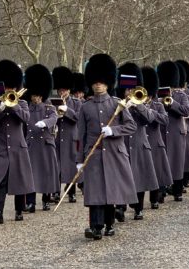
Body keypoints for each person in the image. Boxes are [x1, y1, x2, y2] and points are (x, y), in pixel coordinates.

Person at [76, 54, 138, 240]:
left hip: (113, 153)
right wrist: (80, 161)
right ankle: (96, 226)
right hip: (93, 154)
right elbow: (82, 136)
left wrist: (114, 130)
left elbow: (131, 126)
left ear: (108, 83)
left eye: (102, 82)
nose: (98, 85)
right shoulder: (85, 107)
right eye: (95, 82)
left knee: (110, 191)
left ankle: (109, 224)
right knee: (94, 192)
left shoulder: (116, 104)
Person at [0, 60, 34, 224]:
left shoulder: (22, 103)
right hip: (2, 148)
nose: (9, 90)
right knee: (1, 180)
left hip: (18, 147)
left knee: (19, 179)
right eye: (6, 87)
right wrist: (1, 108)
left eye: (11, 87)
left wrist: (12, 105)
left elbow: (26, 119)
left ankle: (19, 210)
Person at [116, 63, 159, 221]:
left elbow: (150, 118)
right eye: (127, 90)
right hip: (123, 144)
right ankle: (120, 207)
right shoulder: (117, 102)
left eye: (131, 89)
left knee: (139, 177)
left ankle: (138, 208)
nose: (129, 92)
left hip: (140, 143)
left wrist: (136, 105)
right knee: (122, 176)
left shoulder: (141, 101)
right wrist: (123, 107)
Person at [24, 64, 60, 212]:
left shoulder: (49, 108)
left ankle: (46, 199)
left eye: (38, 96)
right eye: (33, 96)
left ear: (42, 95)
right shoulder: (26, 108)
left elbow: (54, 118)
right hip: (32, 144)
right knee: (30, 174)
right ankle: (31, 202)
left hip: (45, 144)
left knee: (46, 173)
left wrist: (44, 123)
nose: (36, 98)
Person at [156, 61, 189, 201]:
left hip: (176, 132)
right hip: (162, 132)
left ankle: (177, 191)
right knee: (162, 162)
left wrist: (172, 103)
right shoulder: (157, 95)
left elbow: (186, 111)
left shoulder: (181, 96)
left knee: (177, 162)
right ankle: (161, 191)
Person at [141, 66, 172, 206]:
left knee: (156, 172)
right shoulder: (134, 104)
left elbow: (165, 120)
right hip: (141, 143)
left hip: (154, 141)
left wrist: (150, 113)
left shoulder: (158, 105)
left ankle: (154, 198)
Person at [53, 66, 81, 203]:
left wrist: (67, 110)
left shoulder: (76, 103)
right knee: (56, 165)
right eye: (60, 90)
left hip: (71, 137)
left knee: (71, 166)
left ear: (69, 90)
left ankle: (71, 193)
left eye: (64, 90)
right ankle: (56, 192)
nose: (62, 92)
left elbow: (78, 118)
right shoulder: (53, 102)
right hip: (57, 137)